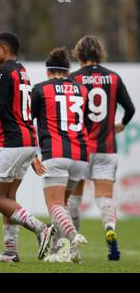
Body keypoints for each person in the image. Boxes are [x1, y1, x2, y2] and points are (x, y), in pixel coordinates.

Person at [0, 32, 55, 263]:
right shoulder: (21, 71)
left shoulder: (2, 71)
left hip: (11, 143)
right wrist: (33, 153)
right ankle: (10, 250)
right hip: (27, 141)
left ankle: (41, 229)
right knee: (9, 196)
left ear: (4, 50)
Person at [67, 36, 136, 261]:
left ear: (79, 54)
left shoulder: (73, 78)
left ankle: (74, 245)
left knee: (74, 198)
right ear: (100, 53)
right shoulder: (113, 78)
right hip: (107, 148)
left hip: (81, 148)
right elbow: (130, 108)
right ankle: (109, 227)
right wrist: (121, 125)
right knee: (105, 197)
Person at [31, 47, 90, 263]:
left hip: (56, 153)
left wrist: (32, 155)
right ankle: (60, 252)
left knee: (54, 206)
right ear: (68, 72)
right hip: (81, 155)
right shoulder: (81, 90)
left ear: (48, 71)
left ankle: (75, 237)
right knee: (62, 207)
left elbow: (28, 123)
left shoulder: (40, 89)